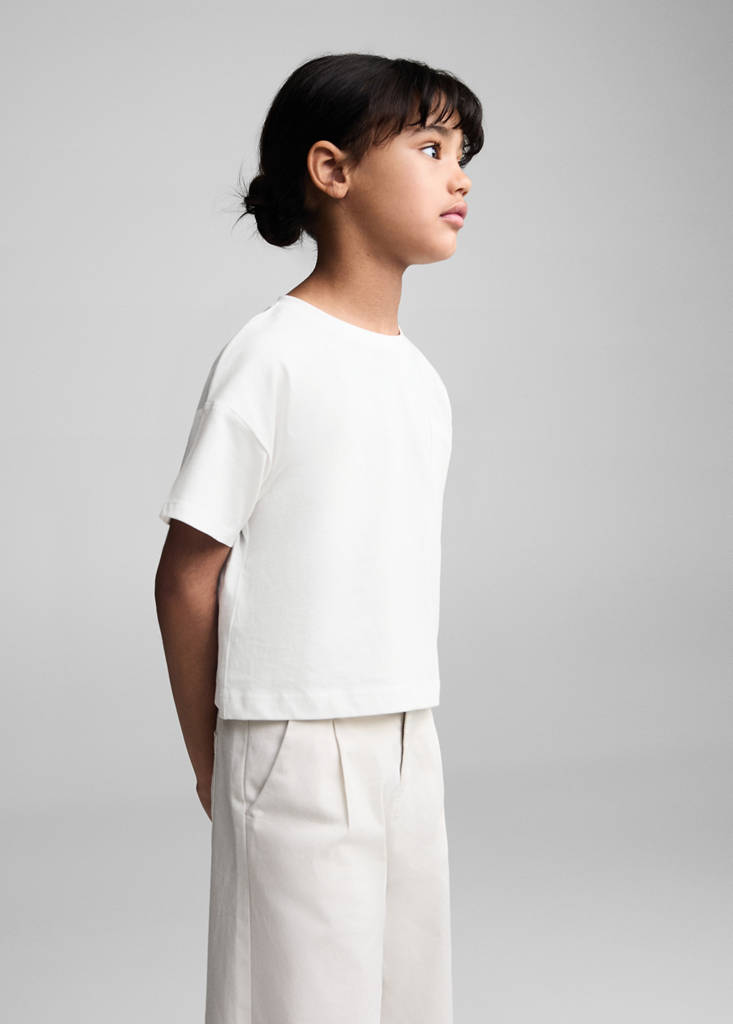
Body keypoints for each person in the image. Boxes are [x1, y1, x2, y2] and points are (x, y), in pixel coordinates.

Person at [154, 51, 483, 1024]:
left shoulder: (419, 379)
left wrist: (406, 736)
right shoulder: (272, 358)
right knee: (297, 1002)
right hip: (290, 737)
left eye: (463, 155)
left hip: (406, 727)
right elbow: (186, 575)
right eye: (430, 148)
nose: (460, 177)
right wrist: (213, 756)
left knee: (408, 993)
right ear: (332, 169)